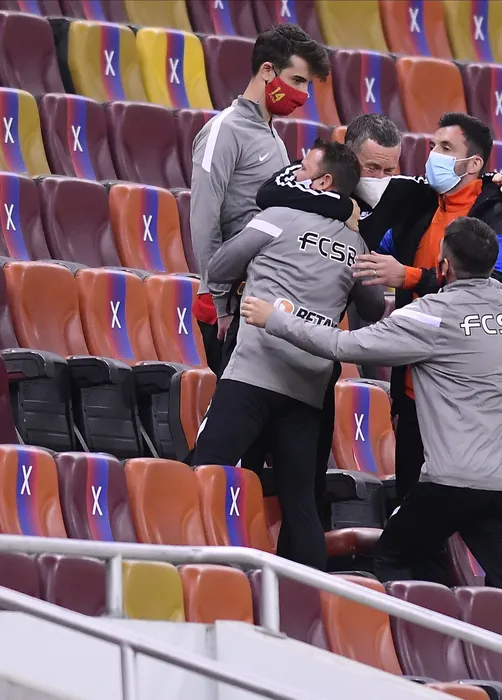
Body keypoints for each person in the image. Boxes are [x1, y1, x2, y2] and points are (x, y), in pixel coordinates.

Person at [240, 217, 502, 659]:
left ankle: (415, 659)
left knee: (394, 556)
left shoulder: (430, 315)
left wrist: (276, 319)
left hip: (451, 482)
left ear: (443, 266)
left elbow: (343, 346)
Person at [192, 140, 385, 570]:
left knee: (205, 471)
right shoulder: (356, 245)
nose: (295, 173)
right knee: (300, 503)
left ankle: (189, 571)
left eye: (304, 168)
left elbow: (219, 266)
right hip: (308, 385)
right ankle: (306, 597)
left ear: (324, 181)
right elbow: (373, 308)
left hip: (252, 372)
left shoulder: (276, 217)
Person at [189, 24, 338, 483]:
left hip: (258, 301)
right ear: (268, 71)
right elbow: (204, 220)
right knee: (226, 444)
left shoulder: (274, 138)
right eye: (297, 81)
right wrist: (219, 302)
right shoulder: (224, 131)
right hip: (229, 304)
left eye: (307, 86)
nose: (302, 95)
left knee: (256, 448)